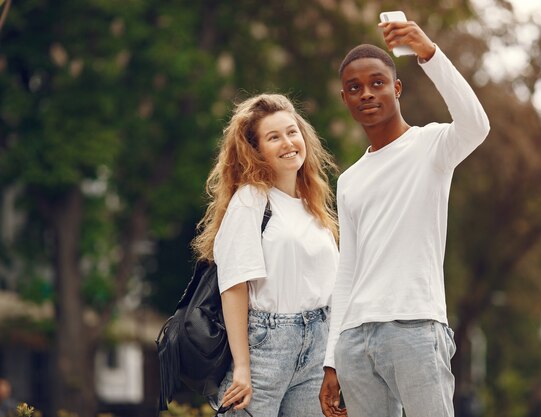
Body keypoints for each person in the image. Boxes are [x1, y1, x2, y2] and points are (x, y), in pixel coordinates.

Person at [319, 17, 490, 417]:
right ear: (345, 99)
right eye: (354, 88)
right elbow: (348, 269)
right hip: (355, 342)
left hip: (415, 327)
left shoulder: (432, 146)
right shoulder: (349, 180)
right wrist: (332, 359)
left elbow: (477, 125)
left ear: (397, 88)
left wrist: (428, 52)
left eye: (377, 82)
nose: (366, 93)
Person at [192, 93, 339, 417]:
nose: (288, 142)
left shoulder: (312, 207)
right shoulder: (251, 200)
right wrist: (242, 367)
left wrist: (333, 359)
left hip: (317, 346)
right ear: (256, 150)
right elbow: (234, 286)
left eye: (292, 132)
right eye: (273, 137)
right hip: (265, 347)